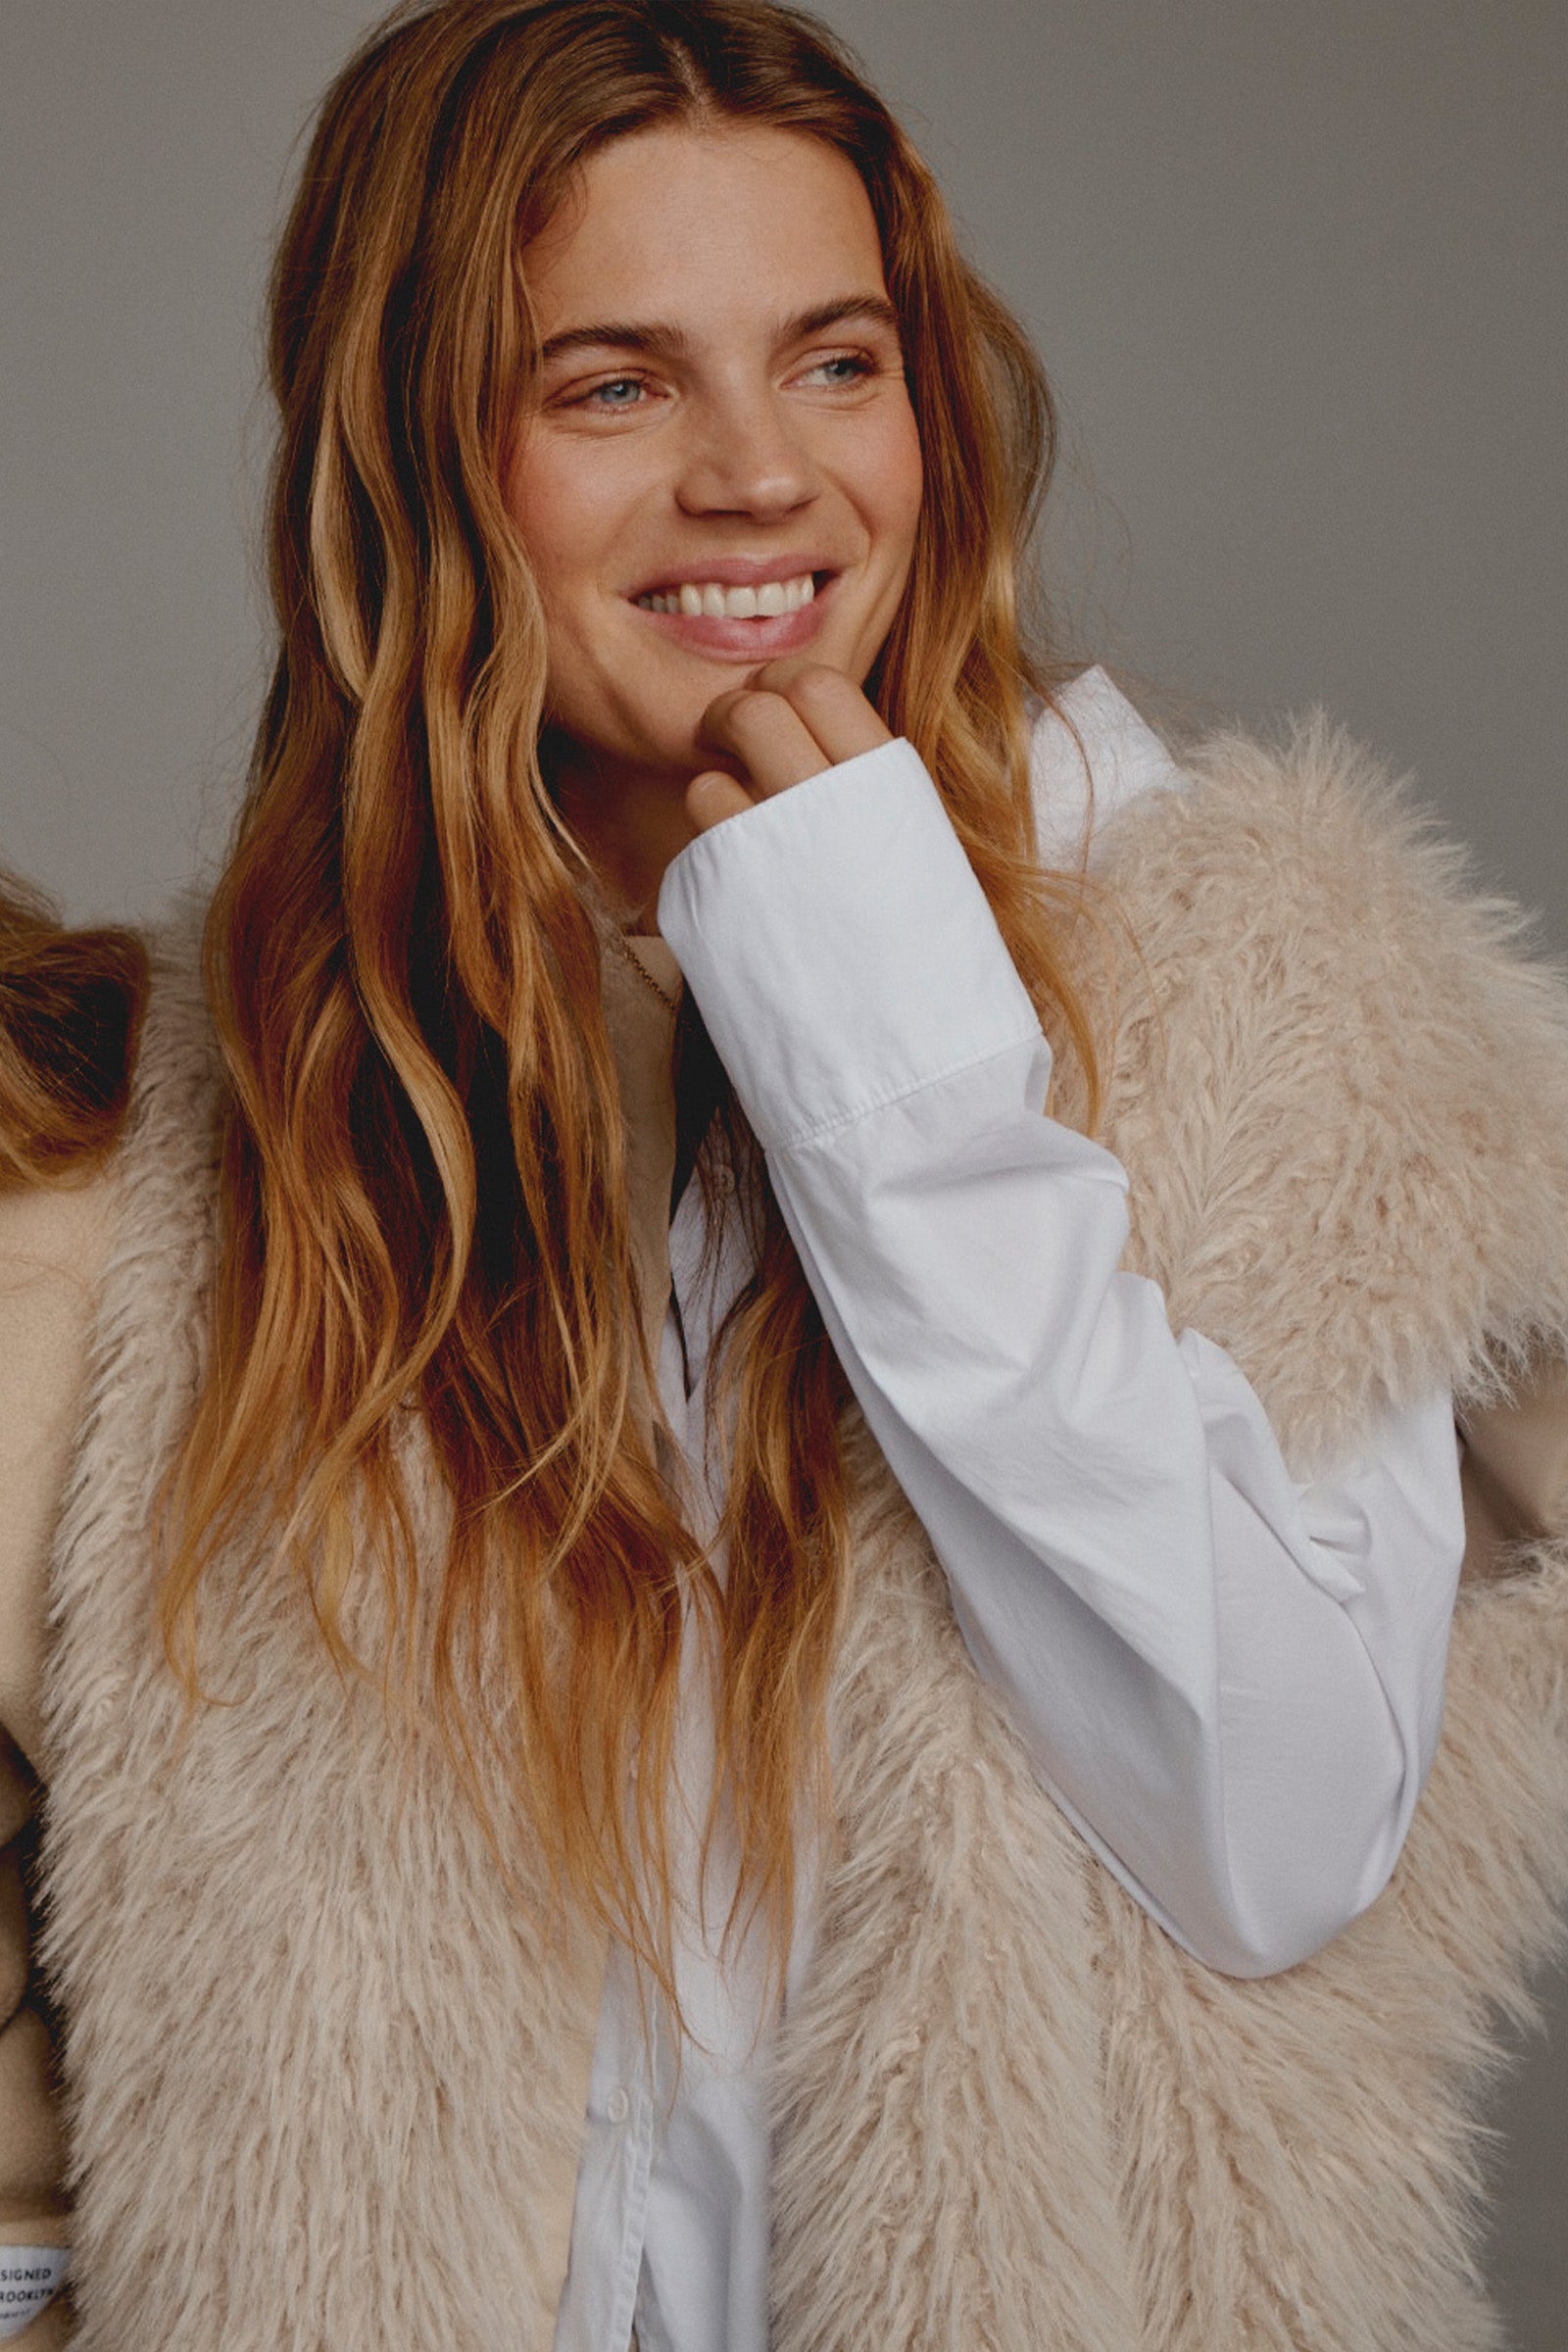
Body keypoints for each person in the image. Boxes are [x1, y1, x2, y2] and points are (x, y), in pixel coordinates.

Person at [2, 1, 1566, 2345]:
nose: (760, 478)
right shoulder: (227, 1129)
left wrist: (889, 1064)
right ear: (419, 461)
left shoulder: (1262, 988)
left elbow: (1274, 1833)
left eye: (837, 363)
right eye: (609, 386)